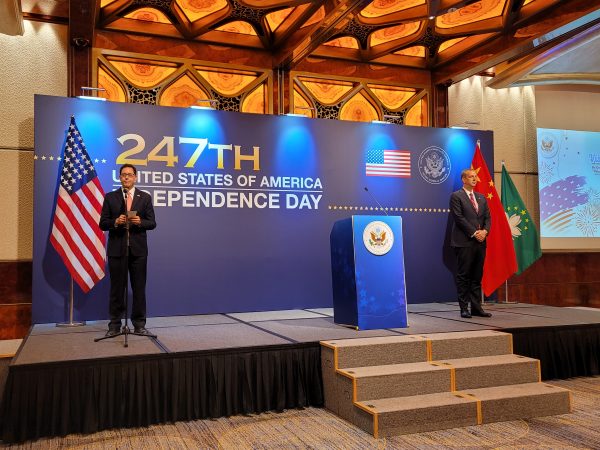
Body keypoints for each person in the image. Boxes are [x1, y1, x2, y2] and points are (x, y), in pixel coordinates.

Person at [99, 164, 156, 336]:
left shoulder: (144, 197)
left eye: (130, 175)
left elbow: (152, 223)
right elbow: (103, 223)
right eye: (123, 174)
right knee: (117, 290)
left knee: (139, 289)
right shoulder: (111, 197)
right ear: (119, 177)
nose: (126, 177)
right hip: (117, 250)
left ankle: (139, 324)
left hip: (138, 252)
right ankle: (114, 325)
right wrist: (116, 222)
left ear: (135, 177)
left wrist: (140, 222)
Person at [449, 168, 492, 319]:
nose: (474, 179)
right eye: (471, 176)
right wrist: (475, 233)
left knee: (476, 276)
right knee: (464, 276)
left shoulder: (481, 197)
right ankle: (464, 308)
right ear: (464, 179)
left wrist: (485, 231)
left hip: (480, 242)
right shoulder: (456, 196)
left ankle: (476, 308)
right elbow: (459, 218)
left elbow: (488, 218)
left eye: (475, 176)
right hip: (464, 242)